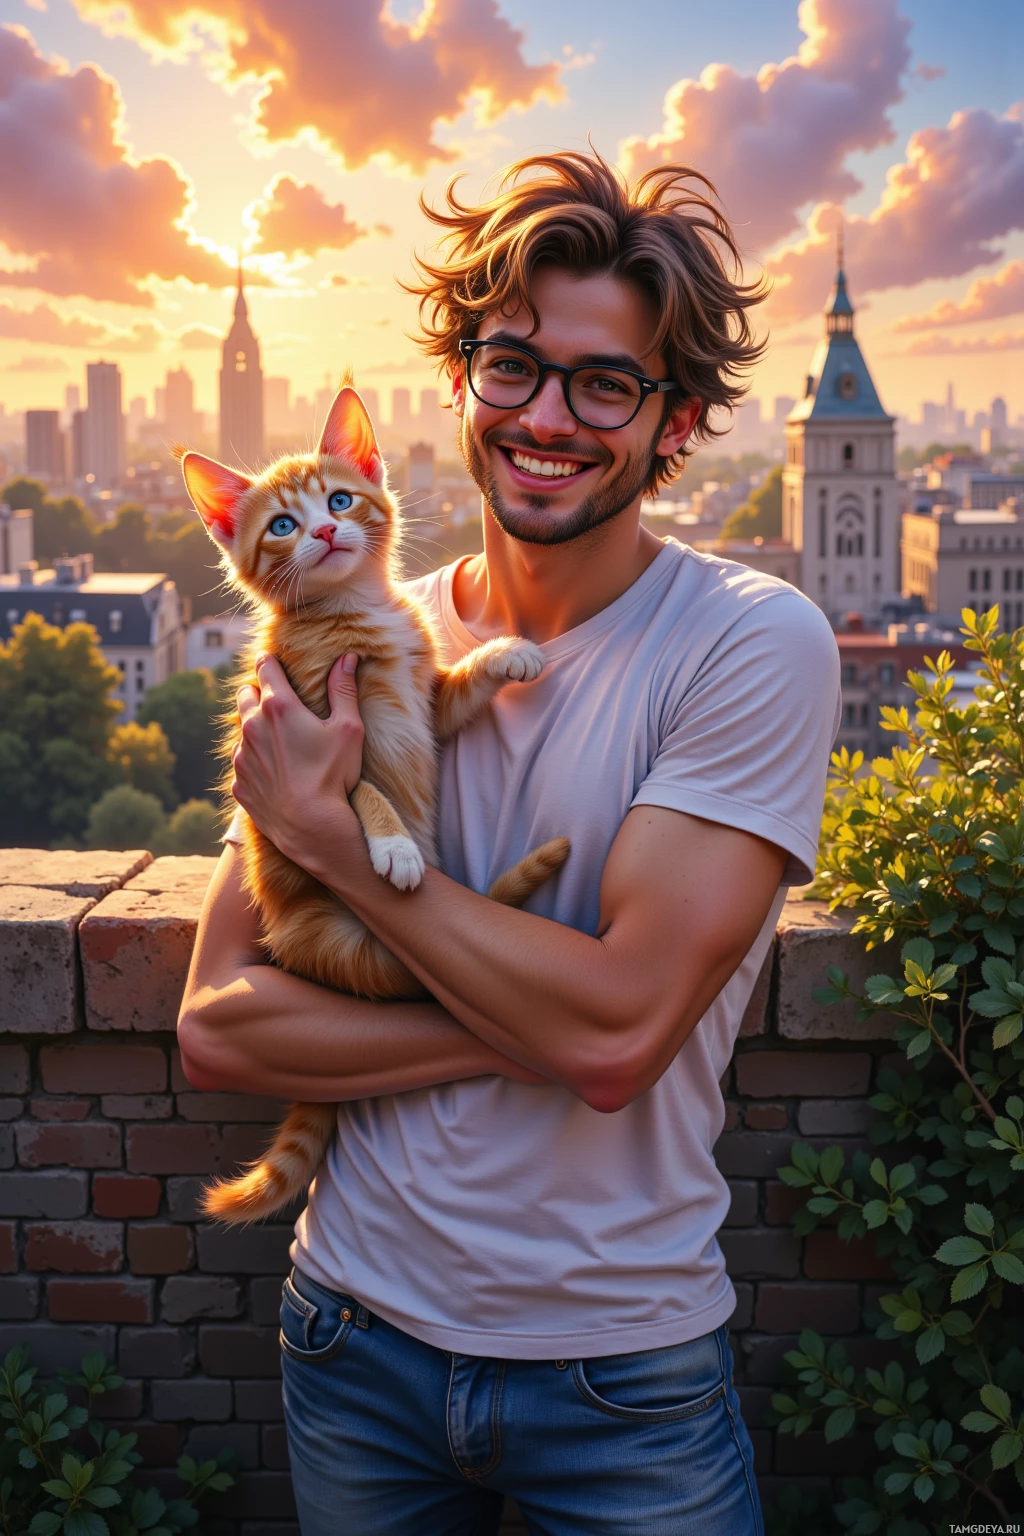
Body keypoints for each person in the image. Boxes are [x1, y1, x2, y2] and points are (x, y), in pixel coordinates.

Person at [178, 151, 841, 1536]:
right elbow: (224, 1029)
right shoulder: (349, 631)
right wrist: (533, 1020)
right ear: (463, 383)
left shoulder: (746, 643)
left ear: (682, 422)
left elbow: (613, 1040)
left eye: (606, 382)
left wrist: (340, 848)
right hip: (350, 1340)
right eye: (513, 365)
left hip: (622, 1377)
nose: (548, 416)